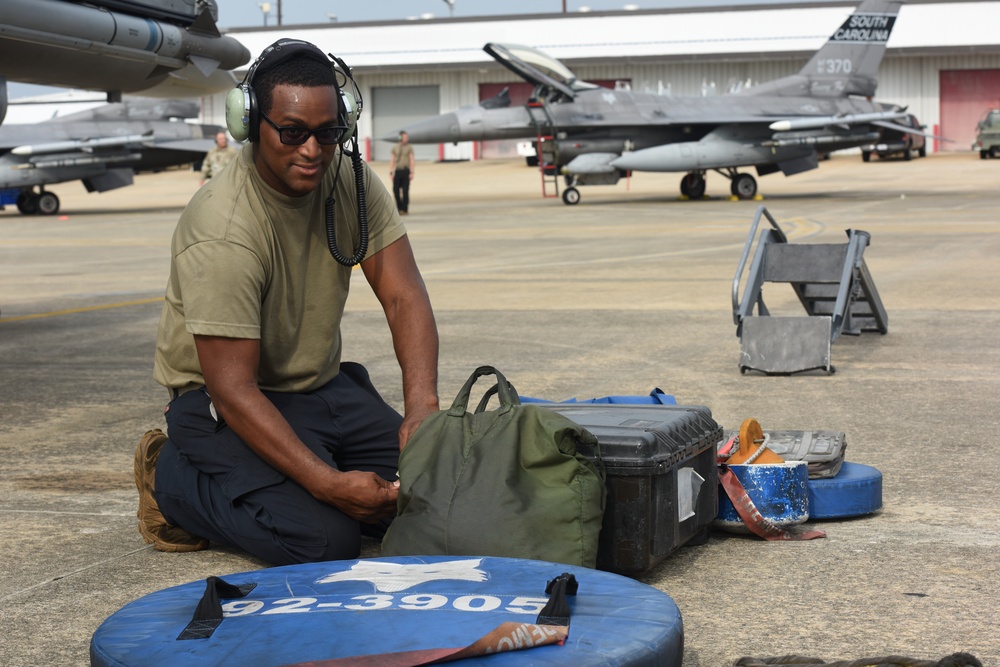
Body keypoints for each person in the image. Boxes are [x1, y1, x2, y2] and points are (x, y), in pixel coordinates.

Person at [135, 39, 440, 566]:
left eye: (328, 133)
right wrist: (326, 484)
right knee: (323, 539)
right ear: (250, 123)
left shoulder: (349, 181)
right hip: (227, 405)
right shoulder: (223, 229)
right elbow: (233, 389)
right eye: (293, 132)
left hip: (323, 388)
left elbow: (403, 294)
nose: (312, 150)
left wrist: (422, 410)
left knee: (441, 500)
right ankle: (170, 476)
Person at [388, 131, 415, 214]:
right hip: (398, 171)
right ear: (400, 138)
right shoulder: (395, 147)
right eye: (405, 137)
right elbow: (392, 160)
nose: (407, 139)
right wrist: (391, 172)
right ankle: (399, 208)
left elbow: (412, 160)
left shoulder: (409, 147)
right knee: (395, 190)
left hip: (406, 171)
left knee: (405, 191)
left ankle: (405, 209)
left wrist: (412, 172)